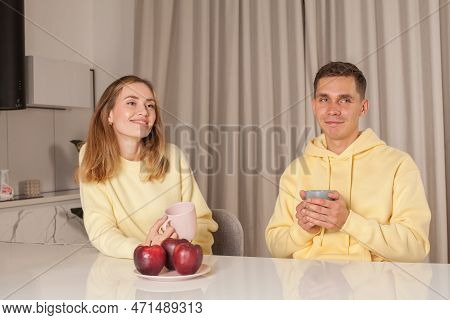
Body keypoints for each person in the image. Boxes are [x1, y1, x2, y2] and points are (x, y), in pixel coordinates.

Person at [265, 62, 431, 262]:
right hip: (308, 285)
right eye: (324, 99)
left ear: (363, 107)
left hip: (375, 288)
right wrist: (302, 229)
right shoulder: (296, 169)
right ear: (314, 105)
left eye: (344, 100)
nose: (333, 110)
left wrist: (347, 221)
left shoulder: (399, 165)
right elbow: (275, 247)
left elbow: (416, 246)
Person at [78, 75, 218, 259]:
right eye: (131, 103)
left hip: (180, 266)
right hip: (127, 269)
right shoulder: (90, 154)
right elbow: (101, 229)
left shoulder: (173, 156)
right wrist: (145, 250)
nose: (144, 111)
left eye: (149, 105)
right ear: (109, 114)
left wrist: (185, 256)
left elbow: (202, 220)